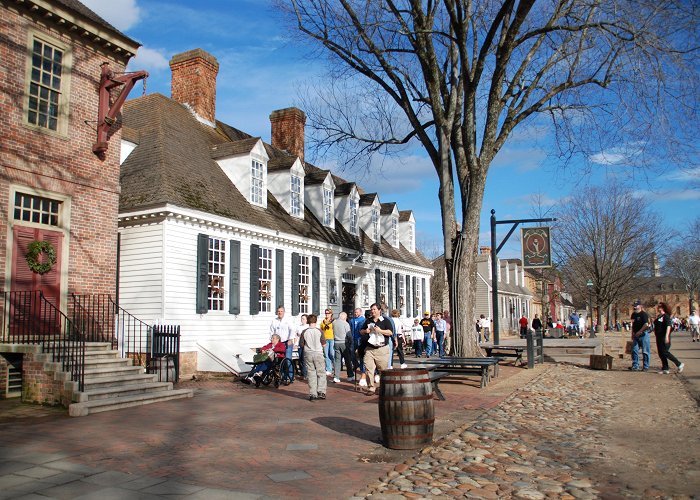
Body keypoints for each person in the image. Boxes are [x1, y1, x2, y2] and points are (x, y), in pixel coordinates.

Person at [360, 303, 393, 395]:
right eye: (371, 309)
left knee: (382, 369)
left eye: (374, 309)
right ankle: (371, 387)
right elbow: (361, 331)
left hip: (381, 349)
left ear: (379, 310)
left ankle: (382, 387)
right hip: (369, 348)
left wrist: (380, 331)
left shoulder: (385, 321)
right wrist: (365, 331)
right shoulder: (368, 321)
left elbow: (390, 332)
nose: (372, 311)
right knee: (368, 369)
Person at [299, 314, 327, 401]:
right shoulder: (320, 331)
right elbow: (324, 344)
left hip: (308, 353)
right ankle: (321, 391)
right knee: (321, 373)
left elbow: (301, 344)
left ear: (308, 321)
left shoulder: (304, 331)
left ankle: (312, 393)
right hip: (318, 353)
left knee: (311, 373)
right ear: (316, 321)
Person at [654, 302, 684, 375]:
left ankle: (679, 364)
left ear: (663, 307)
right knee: (661, 353)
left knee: (665, 352)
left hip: (664, 336)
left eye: (660, 307)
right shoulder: (659, 316)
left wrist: (667, 336)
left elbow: (668, 326)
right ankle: (665, 368)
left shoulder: (665, 316)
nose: (658, 308)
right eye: (658, 307)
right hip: (659, 337)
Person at [270, 306, 294, 383]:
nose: (280, 313)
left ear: (284, 312)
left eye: (281, 311)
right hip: (278, 343)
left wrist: (290, 339)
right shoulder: (274, 320)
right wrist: (272, 341)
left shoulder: (288, 320)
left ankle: (290, 376)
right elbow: (271, 331)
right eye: (278, 311)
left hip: (287, 342)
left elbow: (292, 329)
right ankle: (283, 375)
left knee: (287, 360)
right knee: (279, 360)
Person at [629, 301, 651, 371]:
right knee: (634, 350)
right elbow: (633, 324)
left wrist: (640, 331)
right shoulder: (633, 315)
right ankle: (635, 365)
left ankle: (646, 366)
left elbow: (646, 325)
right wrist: (632, 333)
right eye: (634, 306)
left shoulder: (644, 314)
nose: (635, 307)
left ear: (640, 306)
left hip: (644, 334)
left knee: (645, 351)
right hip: (636, 335)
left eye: (636, 306)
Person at [332, 311, 352, 383]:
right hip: (344, 342)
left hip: (336, 342)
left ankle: (336, 377)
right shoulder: (345, 323)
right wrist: (351, 342)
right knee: (347, 359)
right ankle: (350, 375)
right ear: (344, 317)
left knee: (337, 360)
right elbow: (349, 335)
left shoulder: (334, 323)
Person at [349, 308, 365, 383]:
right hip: (353, 338)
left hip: (360, 339)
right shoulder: (352, 320)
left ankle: (362, 370)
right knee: (351, 353)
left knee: (361, 355)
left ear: (360, 312)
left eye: (357, 312)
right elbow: (350, 328)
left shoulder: (363, 319)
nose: (355, 314)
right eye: (355, 312)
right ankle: (356, 364)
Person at [320, 308, 335, 375]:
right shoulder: (323, 322)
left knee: (332, 353)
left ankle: (335, 367)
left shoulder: (334, 321)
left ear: (331, 314)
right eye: (326, 313)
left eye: (328, 313)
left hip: (332, 339)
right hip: (325, 339)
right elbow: (321, 331)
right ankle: (329, 369)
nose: (327, 314)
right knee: (326, 354)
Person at [295, 314, 308, 379]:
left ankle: (305, 374)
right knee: (300, 359)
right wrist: (295, 344)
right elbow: (296, 336)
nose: (302, 320)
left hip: (306, 345)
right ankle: (302, 373)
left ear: (306, 319)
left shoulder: (308, 327)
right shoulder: (299, 327)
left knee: (304, 359)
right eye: (301, 318)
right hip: (300, 345)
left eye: (303, 319)